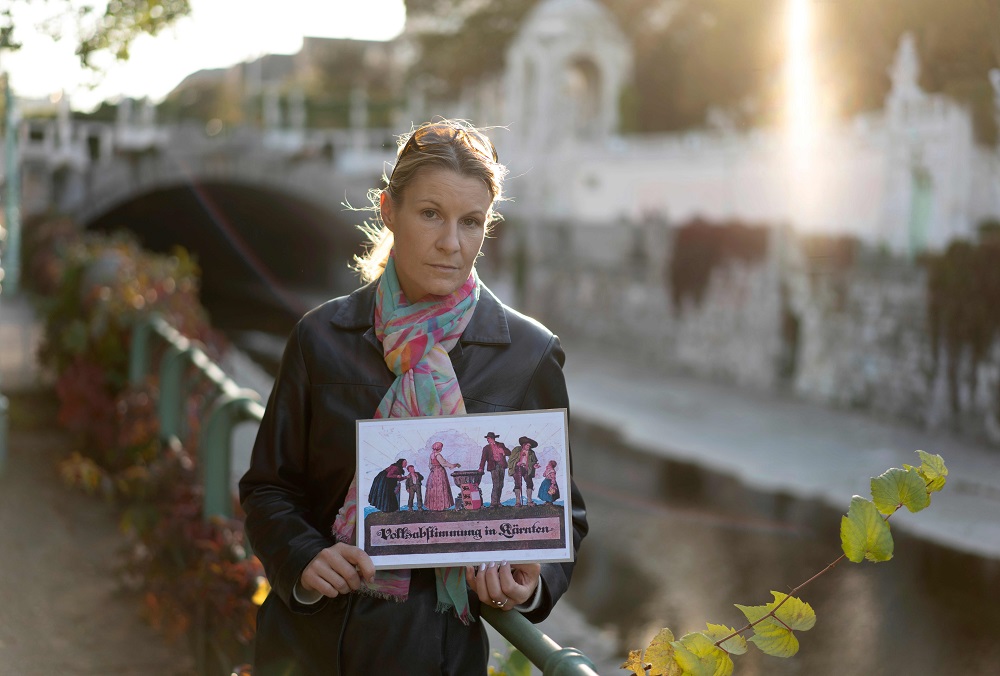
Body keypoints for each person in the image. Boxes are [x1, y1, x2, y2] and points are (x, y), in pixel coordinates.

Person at [239, 119, 588, 675]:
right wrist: (304, 558)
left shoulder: (528, 353)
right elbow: (268, 487)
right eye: (430, 214)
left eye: (471, 222)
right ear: (388, 211)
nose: (452, 243)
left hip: (438, 658)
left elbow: (560, 511)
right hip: (309, 647)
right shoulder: (321, 337)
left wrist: (531, 581)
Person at [478, 432, 511, 508]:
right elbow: (483, 459)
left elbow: (509, 452)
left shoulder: (501, 445)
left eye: (488, 438)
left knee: (501, 484)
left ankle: (498, 502)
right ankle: (493, 503)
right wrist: (481, 468)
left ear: (492, 438)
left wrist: (503, 451)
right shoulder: (486, 448)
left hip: (502, 465)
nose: (487, 440)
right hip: (493, 466)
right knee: (496, 484)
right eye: (487, 438)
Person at [425, 441, 460, 510]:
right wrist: (453, 465)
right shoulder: (438, 455)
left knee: (434, 489)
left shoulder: (432, 455)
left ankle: (434, 506)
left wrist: (433, 469)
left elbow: (430, 465)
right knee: (440, 488)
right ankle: (441, 507)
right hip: (439, 473)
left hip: (433, 473)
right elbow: (444, 463)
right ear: (439, 448)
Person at [508, 436, 541, 507]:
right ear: (523, 445)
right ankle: (518, 502)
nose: (529, 446)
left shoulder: (532, 453)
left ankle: (529, 501)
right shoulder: (517, 450)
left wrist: (534, 465)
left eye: (529, 445)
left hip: (527, 469)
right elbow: (511, 460)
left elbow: (534, 461)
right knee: (518, 484)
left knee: (529, 483)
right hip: (517, 469)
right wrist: (517, 463)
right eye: (527, 445)